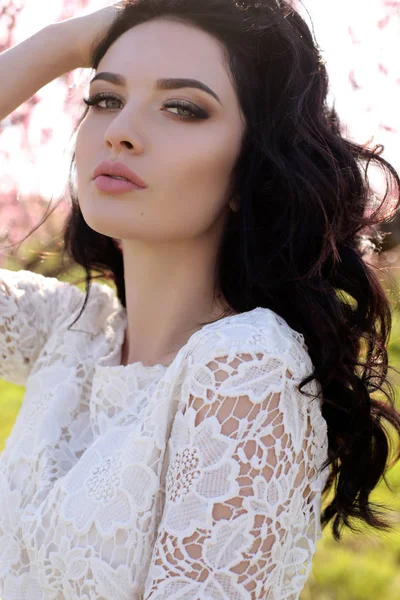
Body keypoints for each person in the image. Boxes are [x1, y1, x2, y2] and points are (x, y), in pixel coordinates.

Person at [0, 0, 399, 598]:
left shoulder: (246, 369)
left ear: (249, 173)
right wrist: (63, 42)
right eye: (105, 98)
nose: (120, 130)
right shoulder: (75, 329)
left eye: (183, 108)